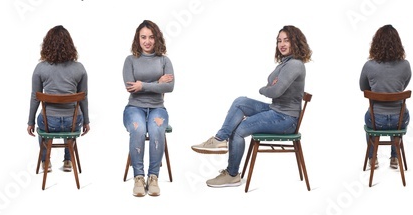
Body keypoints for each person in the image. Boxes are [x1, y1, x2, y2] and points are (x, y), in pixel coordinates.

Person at [190, 25, 311, 188]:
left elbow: (275, 90)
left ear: (295, 42)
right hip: (276, 111)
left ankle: (232, 174)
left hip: (286, 119)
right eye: (279, 41)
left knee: (239, 128)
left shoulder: (295, 64)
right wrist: (272, 87)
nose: (282, 44)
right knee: (240, 102)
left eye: (286, 40)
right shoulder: (285, 63)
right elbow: (274, 87)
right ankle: (219, 139)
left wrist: (266, 88)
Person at [27, 25, 90, 173]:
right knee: (71, 120)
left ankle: (45, 161)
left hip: (50, 123)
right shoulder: (79, 68)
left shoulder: (40, 68)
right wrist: (86, 121)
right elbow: (84, 98)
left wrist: (30, 122)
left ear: (47, 45)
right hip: (73, 123)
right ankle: (68, 160)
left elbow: (35, 98)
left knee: (42, 122)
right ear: (70, 45)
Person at [122, 20, 174, 197]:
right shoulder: (130, 60)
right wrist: (156, 82)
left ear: (157, 39)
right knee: (138, 129)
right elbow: (130, 87)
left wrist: (143, 85)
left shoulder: (164, 61)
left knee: (156, 129)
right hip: (134, 108)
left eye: (151, 37)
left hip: (157, 108)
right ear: (138, 39)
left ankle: (153, 177)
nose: (147, 41)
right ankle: (138, 177)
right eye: (143, 37)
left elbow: (169, 87)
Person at [360, 24, 411, 170]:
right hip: (399, 120)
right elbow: (403, 86)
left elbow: (363, 88)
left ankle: (373, 158)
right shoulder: (405, 65)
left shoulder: (369, 66)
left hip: (377, 120)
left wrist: (377, 90)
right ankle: (395, 157)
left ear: (376, 44)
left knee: (368, 118)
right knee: (398, 115)